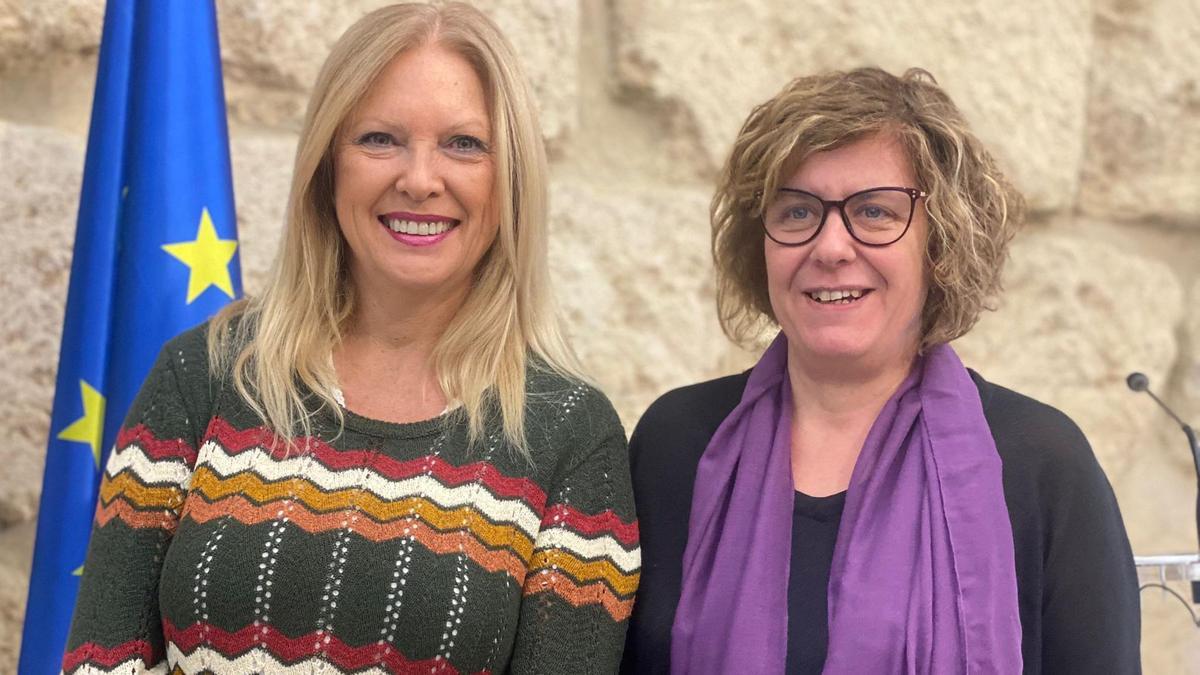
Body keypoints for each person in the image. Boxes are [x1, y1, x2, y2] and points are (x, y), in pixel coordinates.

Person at [62, 3, 639, 673]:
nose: (420, 180)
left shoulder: (571, 435)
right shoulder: (207, 373)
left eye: (463, 144)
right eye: (379, 139)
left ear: (509, 177)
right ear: (328, 163)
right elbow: (101, 661)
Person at [621, 67, 1139, 674]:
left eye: (873, 211)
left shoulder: (1042, 464)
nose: (831, 247)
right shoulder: (675, 442)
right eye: (795, 212)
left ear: (940, 241)